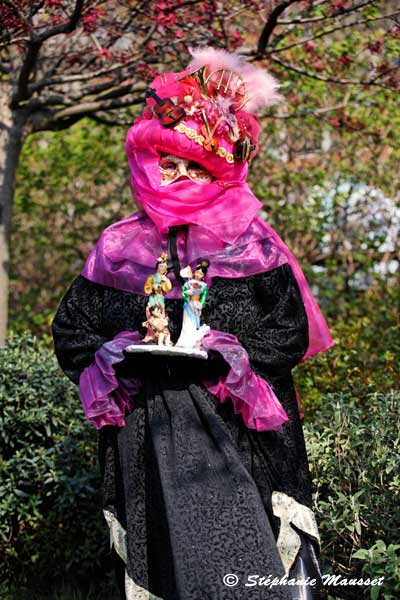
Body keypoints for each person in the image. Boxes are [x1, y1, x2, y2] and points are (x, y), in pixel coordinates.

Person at [52, 47, 334, 600]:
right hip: (150, 438)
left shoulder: (253, 244)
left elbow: (288, 333)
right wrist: (118, 352)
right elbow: (72, 333)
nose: (178, 176)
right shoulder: (116, 247)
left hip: (236, 433)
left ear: (218, 167)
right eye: (168, 162)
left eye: (195, 164)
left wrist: (227, 353)